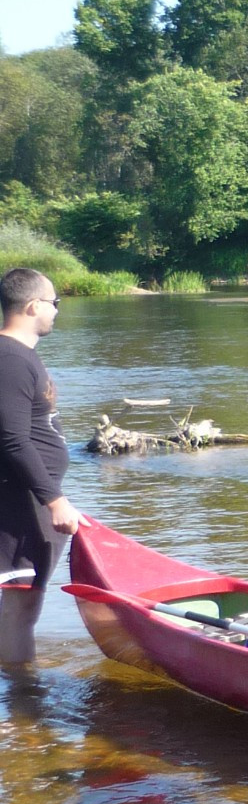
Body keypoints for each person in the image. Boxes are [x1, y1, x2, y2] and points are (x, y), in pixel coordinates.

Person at [0, 268, 81, 664]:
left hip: (30, 500)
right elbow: (12, 438)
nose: (56, 312)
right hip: (21, 504)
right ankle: (22, 713)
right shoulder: (11, 360)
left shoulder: (19, 357)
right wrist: (54, 500)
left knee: (22, 611)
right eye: (55, 303)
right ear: (33, 306)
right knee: (19, 613)